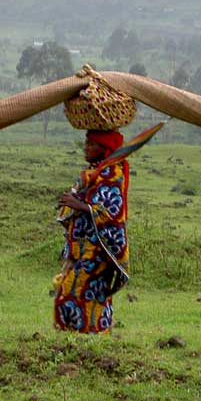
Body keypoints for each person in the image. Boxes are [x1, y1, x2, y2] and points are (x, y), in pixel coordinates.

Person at [54, 129, 129, 333]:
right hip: (80, 250)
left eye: (91, 144)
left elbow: (111, 213)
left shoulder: (112, 173)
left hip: (98, 252)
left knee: (80, 293)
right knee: (73, 293)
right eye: (86, 143)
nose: (85, 148)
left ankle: (88, 338)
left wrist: (77, 204)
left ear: (104, 149)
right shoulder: (92, 172)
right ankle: (79, 338)